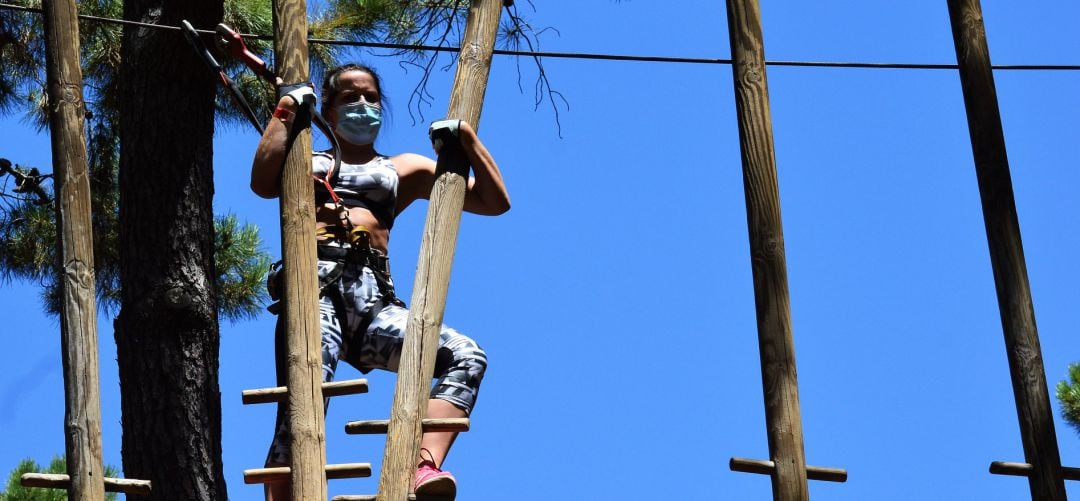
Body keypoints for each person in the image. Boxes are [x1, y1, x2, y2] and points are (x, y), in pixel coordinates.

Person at [250, 62, 510, 501]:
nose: (363, 105)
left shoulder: (401, 168)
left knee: (466, 355)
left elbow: (493, 201)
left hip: (373, 302)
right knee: (303, 397)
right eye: (350, 97)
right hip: (316, 287)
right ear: (328, 110)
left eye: (370, 97)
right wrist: (288, 107)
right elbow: (262, 182)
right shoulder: (306, 160)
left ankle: (423, 465)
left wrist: (465, 138)